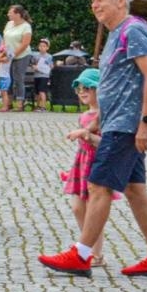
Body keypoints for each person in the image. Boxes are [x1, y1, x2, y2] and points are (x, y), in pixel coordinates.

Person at [38, 0, 147, 278]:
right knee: (134, 189)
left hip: (127, 125)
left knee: (99, 185)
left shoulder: (133, 30)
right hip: (115, 122)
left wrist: (146, 123)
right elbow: (116, 85)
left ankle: (82, 254)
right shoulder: (116, 34)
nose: (95, 4)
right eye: (93, 0)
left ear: (121, 2)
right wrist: (100, 119)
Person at [58, 68, 105, 266]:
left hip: (97, 164)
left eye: (87, 88)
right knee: (77, 207)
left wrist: (87, 135)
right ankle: (86, 242)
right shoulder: (85, 115)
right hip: (82, 163)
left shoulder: (105, 114)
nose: (83, 92)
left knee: (94, 209)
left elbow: (105, 143)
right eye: (79, 89)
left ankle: (96, 253)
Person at [3, 5, 34, 111]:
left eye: (10, 12)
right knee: (9, 79)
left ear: (18, 14)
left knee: (18, 79)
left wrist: (12, 55)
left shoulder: (26, 27)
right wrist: (3, 53)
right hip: (9, 55)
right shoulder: (9, 24)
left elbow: (25, 44)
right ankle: (9, 103)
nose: (8, 14)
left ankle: (20, 103)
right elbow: (5, 39)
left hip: (22, 55)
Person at [31, 38, 54, 111]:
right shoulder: (36, 56)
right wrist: (34, 66)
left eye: (44, 46)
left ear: (47, 48)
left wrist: (51, 66)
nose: (42, 48)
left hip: (44, 76)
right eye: (40, 46)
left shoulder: (49, 56)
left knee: (42, 91)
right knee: (37, 92)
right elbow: (33, 63)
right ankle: (38, 106)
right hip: (37, 75)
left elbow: (51, 65)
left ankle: (43, 106)